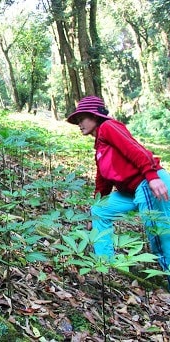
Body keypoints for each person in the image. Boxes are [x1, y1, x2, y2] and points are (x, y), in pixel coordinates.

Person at [67, 95, 170, 283]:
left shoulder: (109, 127)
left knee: (160, 237)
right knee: (99, 211)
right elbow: (102, 181)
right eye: (77, 120)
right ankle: (105, 267)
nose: (79, 124)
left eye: (82, 118)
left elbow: (135, 149)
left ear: (95, 116)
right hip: (131, 191)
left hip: (148, 182)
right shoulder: (99, 143)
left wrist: (152, 176)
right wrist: (93, 212)